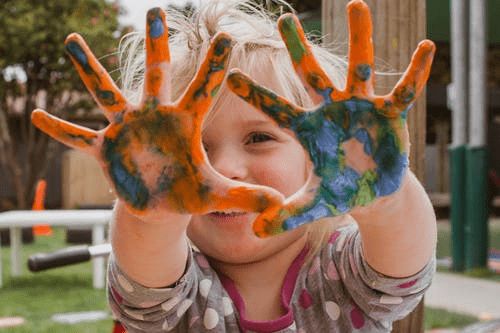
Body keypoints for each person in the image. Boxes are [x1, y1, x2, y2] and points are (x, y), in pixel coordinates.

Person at [31, 0, 437, 332]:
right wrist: (154, 216)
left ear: (319, 156)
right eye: (192, 151)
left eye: (259, 138)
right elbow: (146, 262)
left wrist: (387, 199)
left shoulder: (344, 271)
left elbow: (403, 266)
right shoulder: (175, 288)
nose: (225, 167)